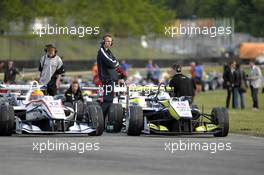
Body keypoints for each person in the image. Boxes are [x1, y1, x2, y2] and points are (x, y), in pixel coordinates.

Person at [97, 34, 120, 118]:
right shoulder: (102, 51)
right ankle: (99, 120)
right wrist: (115, 63)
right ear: (103, 42)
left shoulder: (109, 51)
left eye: (110, 41)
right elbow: (112, 63)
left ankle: (104, 120)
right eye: (107, 41)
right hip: (108, 79)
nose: (109, 43)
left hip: (112, 79)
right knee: (107, 100)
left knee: (111, 101)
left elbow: (116, 62)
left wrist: (115, 63)